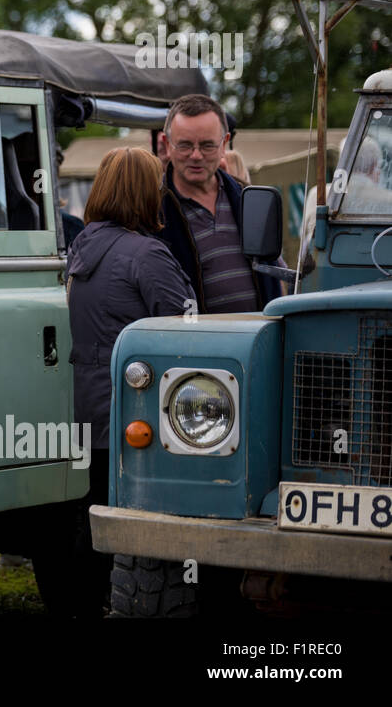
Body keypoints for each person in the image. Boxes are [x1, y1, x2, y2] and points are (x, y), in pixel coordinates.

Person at [47, 146, 195, 616]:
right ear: (143, 193)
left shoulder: (85, 244)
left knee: (92, 516)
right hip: (140, 413)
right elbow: (187, 331)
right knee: (136, 524)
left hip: (91, 406)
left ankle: (77, 606)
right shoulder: (146, 253)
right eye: (156, 186)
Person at [156, 94, 282, 313]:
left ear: (224, 144)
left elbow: (277, 273)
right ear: (167, 145)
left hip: (260, 338)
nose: (195, 156)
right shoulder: (153, 212)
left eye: (207, 146)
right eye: (184, 145)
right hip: (191, 343)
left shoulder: (250, 199)